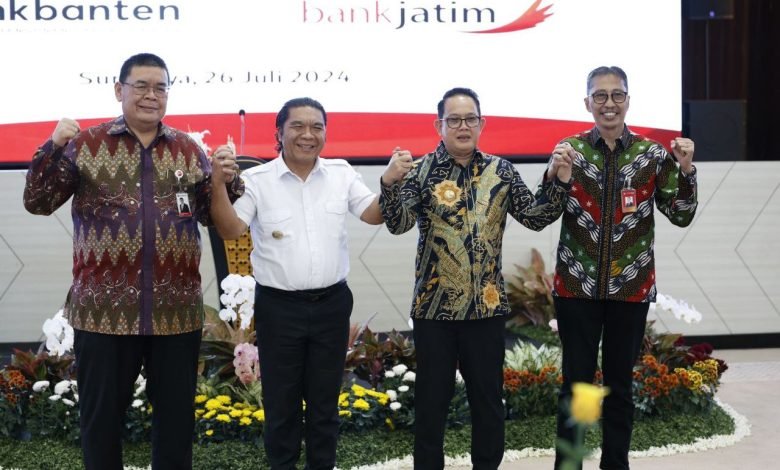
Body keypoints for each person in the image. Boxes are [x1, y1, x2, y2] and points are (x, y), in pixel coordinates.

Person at [23, 53, 244, 470]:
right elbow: (37, 201)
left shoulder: (188, 149)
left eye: (160, 87)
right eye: (141, 86)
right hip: (104, 315)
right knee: (101, 423)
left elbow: (211, 215)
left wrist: (225, 179)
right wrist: (52, 147)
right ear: (118, 90)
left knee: (176, 425)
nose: (151, 95)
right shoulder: (86, 145)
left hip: (175, 315)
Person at [379, 87, 572, 470]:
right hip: (434, 310)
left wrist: (558, 179)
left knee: (488, 403)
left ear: (482, 123)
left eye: (470, 119)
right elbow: (398, 224)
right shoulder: (420, 172)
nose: (463, 126)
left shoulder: (502, 171)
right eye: (454, 120)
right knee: (432, 404)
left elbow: (535, 217)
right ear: (439, 125)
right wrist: (389, 184)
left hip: (486, 309)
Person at [209, 97, 384, 470]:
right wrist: (218, 184)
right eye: (298, 126)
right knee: (281, 405)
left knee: (324, 406)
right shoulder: (258, 181)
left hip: (332, 305)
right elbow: (230, 229)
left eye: (317, 127)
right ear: (279, 132)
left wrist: (391, 183)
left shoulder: (341, 173)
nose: (308, 134)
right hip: (279, 309)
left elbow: (372, 214)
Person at [550, 66, 698, 470]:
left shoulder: (652, 155)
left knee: (619, 387)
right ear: (588, 103)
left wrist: (686, 170)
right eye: (600, 96)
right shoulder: (570, 150)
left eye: (617, 95)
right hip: (576, 290)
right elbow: (545, 209)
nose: (609, 103)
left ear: (628, 101)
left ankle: (616, 464)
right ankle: (570, 465)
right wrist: (554, 176)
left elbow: (681, 214)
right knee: (577, 387)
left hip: (630, 291)